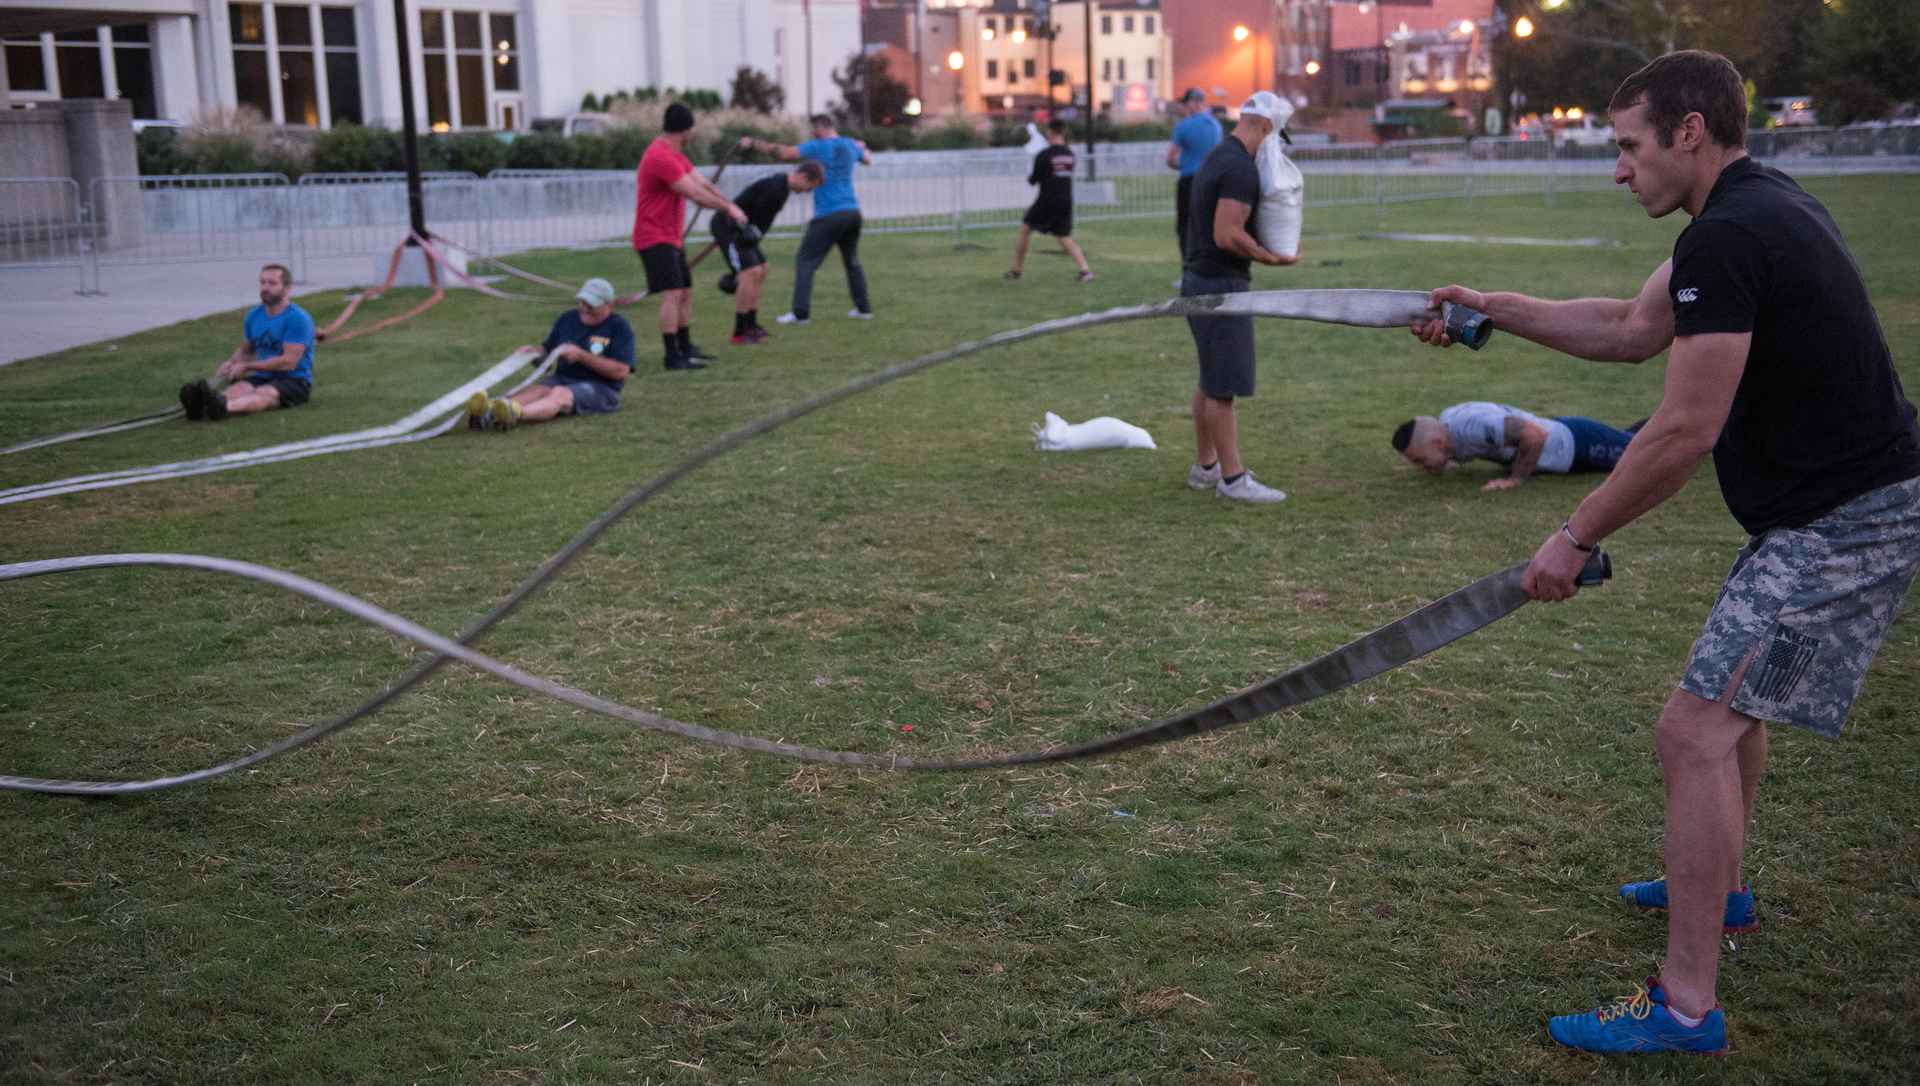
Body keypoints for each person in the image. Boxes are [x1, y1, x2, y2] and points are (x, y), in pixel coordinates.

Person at [1410, 51, 1920, 1054]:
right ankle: (1720, 891)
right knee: (1733, 712)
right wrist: (1495, 309)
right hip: (1821, 512)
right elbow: (1629, 330)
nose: (1616, 169)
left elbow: (1682, 433)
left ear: (1691, 131)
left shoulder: (1733, 234)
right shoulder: (1742, 212)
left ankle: (1687, 1007)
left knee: (1691, 733)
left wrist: (1573, 535)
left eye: (1628, 146)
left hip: (1848, 519)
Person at [1181, 91, 1299, 504]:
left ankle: (1205, 467)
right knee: (1223, 387)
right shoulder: (1239, 168)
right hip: (1220, 287)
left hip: (1198, 280)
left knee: (1210, 379)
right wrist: (1268, 257)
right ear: (1267, 127)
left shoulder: (1218, 155)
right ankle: (1232, 481)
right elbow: (1227, 233)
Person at [634, 101, 749, 370]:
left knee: (685, 291)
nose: (692, 134)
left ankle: (685, 348)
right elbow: (695, 195)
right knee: (673, 293)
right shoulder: (660, 157)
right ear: (685, 130)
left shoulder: (676, 156)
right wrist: (728, 207)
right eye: (691, 130)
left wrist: (731, 204)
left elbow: (704, 184)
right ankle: (671, 356)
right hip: (653, 237)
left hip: (671, 236)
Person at [741, 116, 873, 324]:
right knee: (852, 262)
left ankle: (800, 313)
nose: (811, 134)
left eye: (813, 130)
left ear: (820, 127)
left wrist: (754, 144)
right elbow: (867, 158)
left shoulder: (818, 147)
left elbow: (784, 153)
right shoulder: (848, 145)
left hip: (829, 213)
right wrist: (859, 146)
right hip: (852, 212)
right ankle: (863, 309)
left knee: (805, 261)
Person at [466, 278, 635, 430]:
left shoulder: (619, 328)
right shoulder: (567, 319)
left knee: (560, 393)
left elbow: (621, 371)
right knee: (538, 390)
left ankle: (515, 413)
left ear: (609, 306)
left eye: (592, 304)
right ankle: (489, 411)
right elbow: (546, 352)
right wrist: (532, 353)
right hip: (562, 378)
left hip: (601, 387)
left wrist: (582, 356)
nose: (585, 309)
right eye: (582, 302)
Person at [1392, 403, 1647, 489]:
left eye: (1419, 460)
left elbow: (1535, 435)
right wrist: (1446, 459)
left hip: (1580, 445)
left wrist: (1515, 479)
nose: (1420, 467)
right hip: (1572, 435)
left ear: (1438, 442)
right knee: (1634, 439)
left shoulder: (1472, 427)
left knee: (1649, 453)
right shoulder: (1448, 426)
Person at [180, 264, 314, 420]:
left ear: (287, 288)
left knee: (265, 393)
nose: (265, 288)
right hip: (263, 375)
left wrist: (247, 366)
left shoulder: (298, 319)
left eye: (272, 283)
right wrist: (232, 362)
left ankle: (222, 407)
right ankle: (204, 404)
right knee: (239, 389)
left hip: (294, 381)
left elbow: (288, 362)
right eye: (262, 282)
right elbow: (247, 351)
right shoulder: (254, 315)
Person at [714, 157, 824, 344]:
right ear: (803, 176)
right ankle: (739, 333)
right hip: (729, 227)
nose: (807, 192)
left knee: (762, 269)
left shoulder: (782, 186)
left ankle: (751, 326)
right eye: (809, 187)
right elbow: (751, 221)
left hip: (744, 231)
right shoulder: (776, 189)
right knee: (751, 271)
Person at [1005, 119, 1093, 282]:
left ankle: (1017, 270)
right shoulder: (1069, 155)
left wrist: (1030, 168)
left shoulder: (1044, 155)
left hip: (1047, 200)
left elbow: (1033, 180)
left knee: (1025, 229)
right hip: (1066, 199)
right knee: (1063, 236)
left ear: (1050, 133)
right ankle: (1085, 270)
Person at [1167, 88, 1224, 271]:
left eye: (1186, 102)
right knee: (1208, 224)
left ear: (1193, 102)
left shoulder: (1183, 126)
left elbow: (1169, 158)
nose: (1184, 106)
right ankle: (1211, 266)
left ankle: (1189, 269)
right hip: (1211, 181)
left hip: (1189, 180)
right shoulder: (1216, 126)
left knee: (1185, 226)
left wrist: (1180, 166)